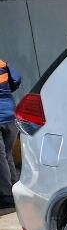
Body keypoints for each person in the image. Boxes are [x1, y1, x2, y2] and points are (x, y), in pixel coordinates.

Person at [0, 56, 22, 208]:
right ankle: (15, 190)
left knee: (1, 158)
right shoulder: (3, 63)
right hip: (10, 113)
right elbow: (17, 79)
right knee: (7, 156)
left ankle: (6, 196)